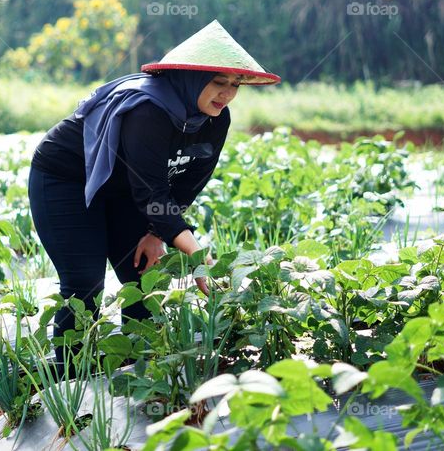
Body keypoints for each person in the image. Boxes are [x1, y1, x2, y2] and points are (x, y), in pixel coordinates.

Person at [27, 19, 280, 371]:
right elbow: (152, 191)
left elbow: (188, 181)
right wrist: (197, 256)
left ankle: (139, 369)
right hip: (66, 180)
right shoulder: (149, 111)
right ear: (189, 78)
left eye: (235, 84)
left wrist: (154, 233)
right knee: (84, 282)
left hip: (128, 190)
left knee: (146, 275)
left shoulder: (215, 118)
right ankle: (71, 379)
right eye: (218, 82)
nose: (227, 93)